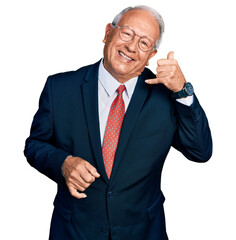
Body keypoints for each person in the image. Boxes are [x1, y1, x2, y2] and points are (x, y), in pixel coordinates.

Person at [24, 5, 212, 240]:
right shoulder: (60, 88)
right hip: (74, 231)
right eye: (127, 33)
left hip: (143, 232)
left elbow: (200, 151)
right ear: (107, 33)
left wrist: (183, 91)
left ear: (151, 55)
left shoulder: (167, 96)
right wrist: (63, 163)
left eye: (144, 43)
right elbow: (35, 145)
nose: (132, 47)